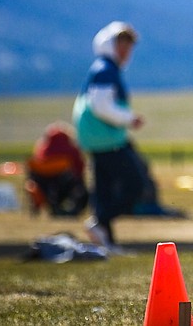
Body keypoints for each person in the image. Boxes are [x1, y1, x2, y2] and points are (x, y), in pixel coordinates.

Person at [72, 21, 147, 254]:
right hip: (107, 139)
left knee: (103, 189)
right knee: (136, 182)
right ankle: (100, 221)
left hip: (97, 140)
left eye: (129, 46)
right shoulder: (106, 69)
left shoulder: (103, 67)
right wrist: (129, 118)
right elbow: (101, 106)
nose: (126, 51)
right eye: (122, 44)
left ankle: (107, 241)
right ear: (110, 44)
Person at [25, 122, 89, 218]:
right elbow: (79, 168)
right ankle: (72, 210)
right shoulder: (71, 150)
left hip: (42, 186)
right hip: (64, 185)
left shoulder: (41, 150)